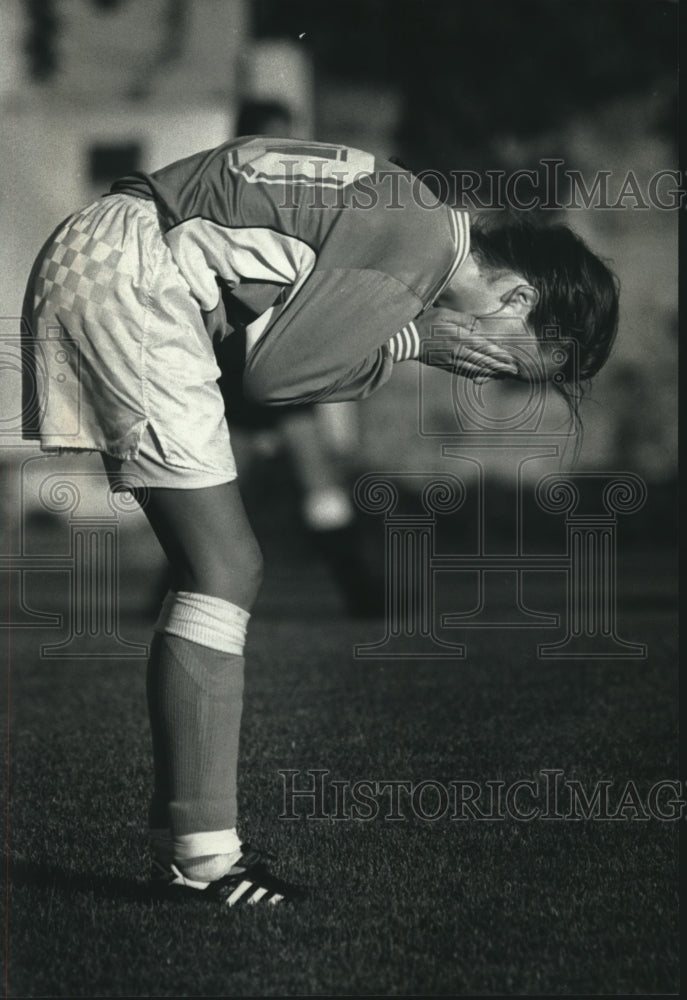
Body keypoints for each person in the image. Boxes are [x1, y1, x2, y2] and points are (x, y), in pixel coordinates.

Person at [21, 136, 618, 907]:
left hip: (111, 250)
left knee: (219, 564)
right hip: (135, 275)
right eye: (505, 364)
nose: (479, 371)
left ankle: (191, 835)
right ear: (515, 299)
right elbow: (277, 377)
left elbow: (257, 341)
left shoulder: (413, 211)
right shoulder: (427, 243)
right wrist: (406, 341)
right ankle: (205, 858)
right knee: (225, 567)